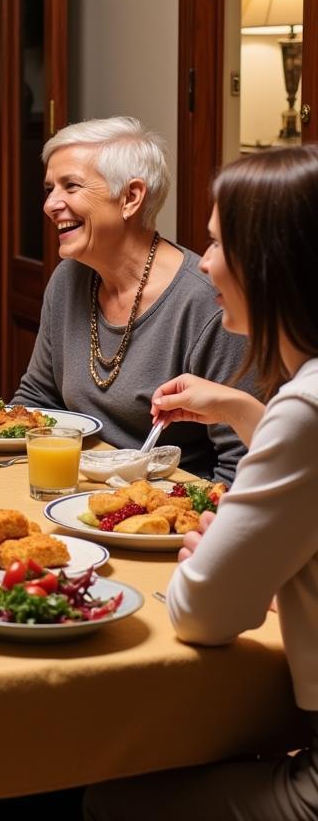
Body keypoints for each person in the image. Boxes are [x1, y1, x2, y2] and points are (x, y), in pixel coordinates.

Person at [85, 144, 318, 820]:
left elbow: (201, 612)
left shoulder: (305, 408)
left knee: (108, 801)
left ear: (269, 263)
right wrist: (241, 410)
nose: (204, 262)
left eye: (218, 244)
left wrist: (214, 564)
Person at [12, 116, 250, 483]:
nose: (49, 205)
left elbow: (241, 464)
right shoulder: (68, 279)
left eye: (70, 186)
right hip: (70, 494)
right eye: (49, 188)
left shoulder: (206, 303)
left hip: (164, 516)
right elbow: (37, 401)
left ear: (131, 197)